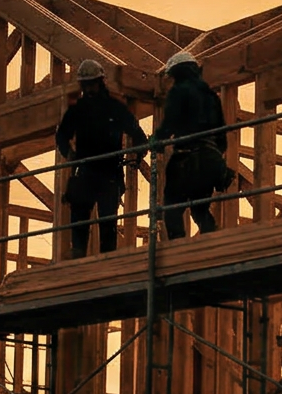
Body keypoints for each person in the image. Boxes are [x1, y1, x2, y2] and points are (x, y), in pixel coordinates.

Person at [53, 58, 145, 258]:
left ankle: (105, 258)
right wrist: (70, 154)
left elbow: (137, 133)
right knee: (81, 218)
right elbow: (61, 136)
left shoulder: (113, 108)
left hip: (107, 172)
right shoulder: (80, 110)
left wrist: (139, 152)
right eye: (86, 85)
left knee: (106, 221)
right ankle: (81, 254)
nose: (89, 89)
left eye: (91, 84)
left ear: (100, 82)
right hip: (89, 171)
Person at [151, 49, 233, 240]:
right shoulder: (211, 96)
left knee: (172, 208)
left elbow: (170, 122)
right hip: (210, 159)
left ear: (177, 73)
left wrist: (158, 140)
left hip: (186, 158)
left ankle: (178, 248)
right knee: (200, 208)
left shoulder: (178, 91)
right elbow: (222, 135)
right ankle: (210, 243)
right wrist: (214, 157)